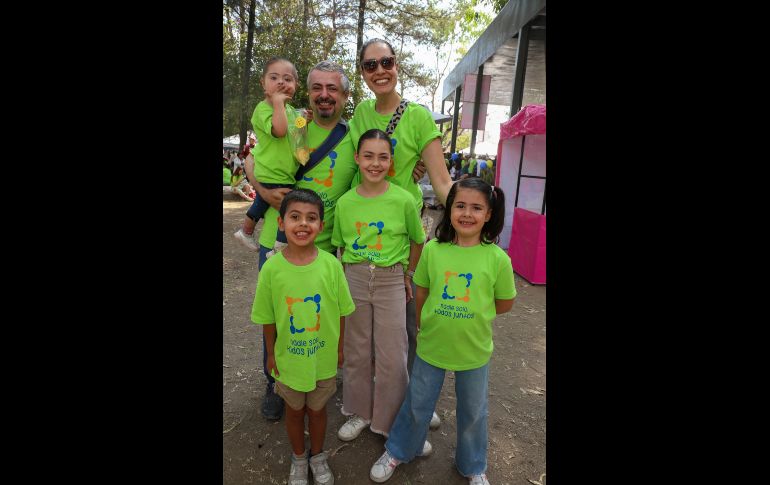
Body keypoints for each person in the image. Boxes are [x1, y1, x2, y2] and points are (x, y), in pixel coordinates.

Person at [368, 177, 516, 485]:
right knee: (418, 402)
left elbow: (504, 303)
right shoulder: (433, 250)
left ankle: (473, 466)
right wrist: (424, 323)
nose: (467, 213)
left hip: (473, 349)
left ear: (488, 214)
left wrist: (475, 314)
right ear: (449, 210)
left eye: (476, 208)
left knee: (474, 412)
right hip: (432, 343)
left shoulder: (497, 258)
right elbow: (421, 292)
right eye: (460, 205)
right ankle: (398, 449)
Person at [348, 38, 453, 430]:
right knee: (365, 330)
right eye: (370, 64)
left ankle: (414, 400)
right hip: (362, 235)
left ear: (397, 65)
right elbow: (350, 165)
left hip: (402, 236)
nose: (379, 70)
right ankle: (369, 403)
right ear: (362, 72)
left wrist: (467, 218)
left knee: (407, 325)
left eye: (386, 62)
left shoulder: (419, 117)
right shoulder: (360, 113)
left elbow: (441, 180)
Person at [248, 61, 360, 421]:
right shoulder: (294, 122)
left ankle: (314, 378)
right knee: (279, 315)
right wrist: (263, 190)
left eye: (332, 89)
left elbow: (379, 167)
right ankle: (275, 383)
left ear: (344, 96)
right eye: (317, 88)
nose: (324, 95)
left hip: (325, 248)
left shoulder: (352, 135)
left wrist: (415, 167)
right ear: (307, 93)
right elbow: (253, 157)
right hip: (276, 238)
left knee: (315, 317)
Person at [251, 189, 355, 485]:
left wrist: (339, 348)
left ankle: (318, 456)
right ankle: (299, 457)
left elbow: (342, 311)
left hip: (322, 359)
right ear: (281, 223)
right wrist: (271, 354)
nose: (303, 224)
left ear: (322, 226)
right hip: (289, 361)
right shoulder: (271, 269)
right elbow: (267, 318)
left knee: (318, 410)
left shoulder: (331, 265)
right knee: (295, 412)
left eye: (311, 218)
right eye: (294, 217)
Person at [332, 129, 427, 444]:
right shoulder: (345, 203)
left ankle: (391, 419)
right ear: (357, 159)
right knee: (357, 349)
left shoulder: (402, 199)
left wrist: (408, 274)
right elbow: (341, 247)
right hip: (355, 278)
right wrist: (346, 279)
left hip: (391, 281)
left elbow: (418, 240)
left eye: (383, 157)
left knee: (393, 353)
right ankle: (360, 410)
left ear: (392, 161)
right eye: (368, 156)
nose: (375, 163)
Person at [234, 57, 303, 251]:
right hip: (271, 172)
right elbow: (280, 131)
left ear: (296, 85)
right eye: (274, 78)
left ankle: (246, 231)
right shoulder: (263, 109)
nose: (281, 82)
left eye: (288, 79)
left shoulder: (289, 110)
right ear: (263, 83)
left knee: (262, 202)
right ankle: (280, 246)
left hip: (282, 172)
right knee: (287, 208)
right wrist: (278, 102)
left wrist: (305, 120)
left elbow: (296, 132)